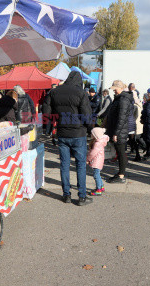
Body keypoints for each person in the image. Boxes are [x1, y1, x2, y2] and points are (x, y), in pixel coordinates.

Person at [42, 71, 93, 206]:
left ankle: (66, 195)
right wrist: (90, 129)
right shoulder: (81, 93)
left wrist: (46, 127)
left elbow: (45, 109)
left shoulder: (54, 92)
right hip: (78, 134)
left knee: (64, 164)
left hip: (62, 133)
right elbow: (87, 115)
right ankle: (82, 196)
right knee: (80, 165)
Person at [105, 80, 134, 183]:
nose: (114, 91)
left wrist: (116, 133)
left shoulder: (123, 100)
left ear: (121, 88)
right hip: (117, 129)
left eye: (115, 89)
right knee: (119, 152)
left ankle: (121, 176)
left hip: (120, 131)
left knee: (121, 153)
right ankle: (120, 173)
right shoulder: (119, 98)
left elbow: (121, 118)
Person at [87, 127, 110, 196]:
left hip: (96, 161)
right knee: (98, 174)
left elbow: (92, 153)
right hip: (99, 160)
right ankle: (101, 186)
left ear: (96, 135)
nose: (91, 135)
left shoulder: (97, 143)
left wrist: (88, 159)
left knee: (96, 175)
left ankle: (98, 190)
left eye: (92, 134)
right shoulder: (100, 141)